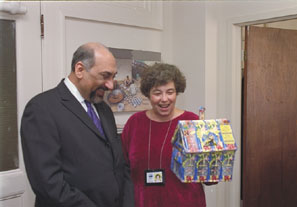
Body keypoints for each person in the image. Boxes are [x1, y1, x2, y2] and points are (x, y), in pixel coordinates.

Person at [21, 42, 135, 207]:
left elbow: (119, 163)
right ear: (80, 69)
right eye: (105, 75)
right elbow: (48, 184)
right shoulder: (42, 109)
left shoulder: (103, 109)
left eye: (113, 76)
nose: (111, 85)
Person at [121, 63, 217, 207]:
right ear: (148, 94)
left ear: (177, 92)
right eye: (157, 93)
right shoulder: (134, 123)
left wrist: (212, 160)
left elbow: (209, 179)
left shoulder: (192, 122)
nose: (164, 99)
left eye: (170, 92)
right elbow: (123, 170)